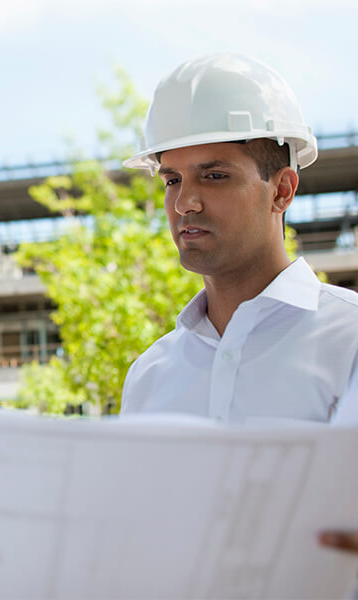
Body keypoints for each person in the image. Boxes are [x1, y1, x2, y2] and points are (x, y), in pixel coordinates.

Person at [120, 53, 358, 558]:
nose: (185, 202)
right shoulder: (149, 377)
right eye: (172, 180)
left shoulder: (351, 341)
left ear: (283, 190)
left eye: (215, 176)